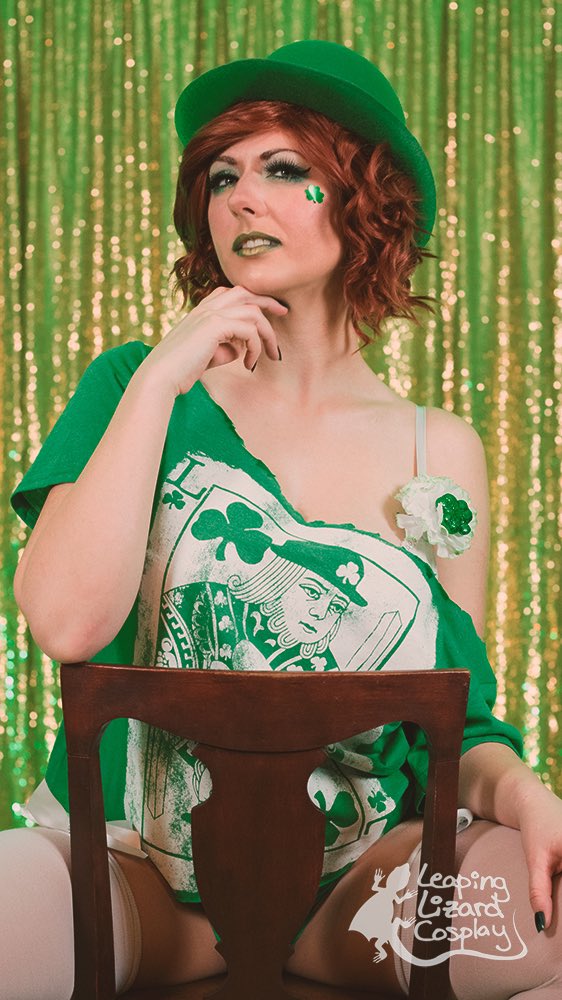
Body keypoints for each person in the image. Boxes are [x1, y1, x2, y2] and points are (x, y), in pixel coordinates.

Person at [3, 39, 562, 999]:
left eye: (283, 169)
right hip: (136, 876)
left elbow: (454, 722)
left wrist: (524, 792)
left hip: (359, 893)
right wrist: (162, 379)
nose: (241, 200)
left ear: (365, 201)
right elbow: (64, 623)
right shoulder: (137, 387)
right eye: (223, 178)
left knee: (551, 915)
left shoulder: (437, 449)